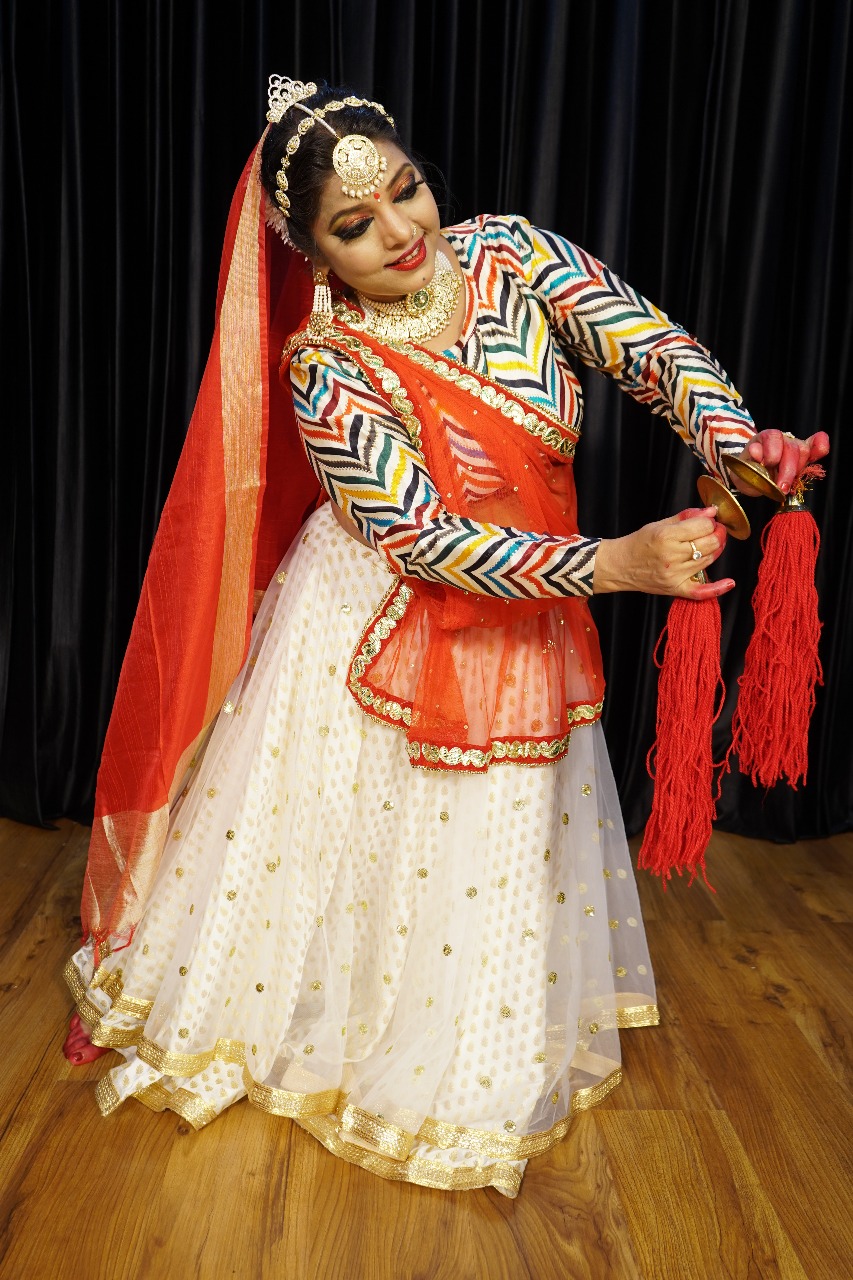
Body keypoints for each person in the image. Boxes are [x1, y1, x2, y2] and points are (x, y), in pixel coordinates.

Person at [62, 77, 829, 1196]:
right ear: (312, 252)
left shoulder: (512, 254)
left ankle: (479, 1026)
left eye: (405, 189)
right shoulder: (328, 365)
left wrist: (738, 444)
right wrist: (614, 565)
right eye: (354, 225)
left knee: (492, 842)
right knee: (362, 849)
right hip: (380, 618)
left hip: (530, 596)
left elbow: (652, 350)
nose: (399, 231)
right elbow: (422, 539)